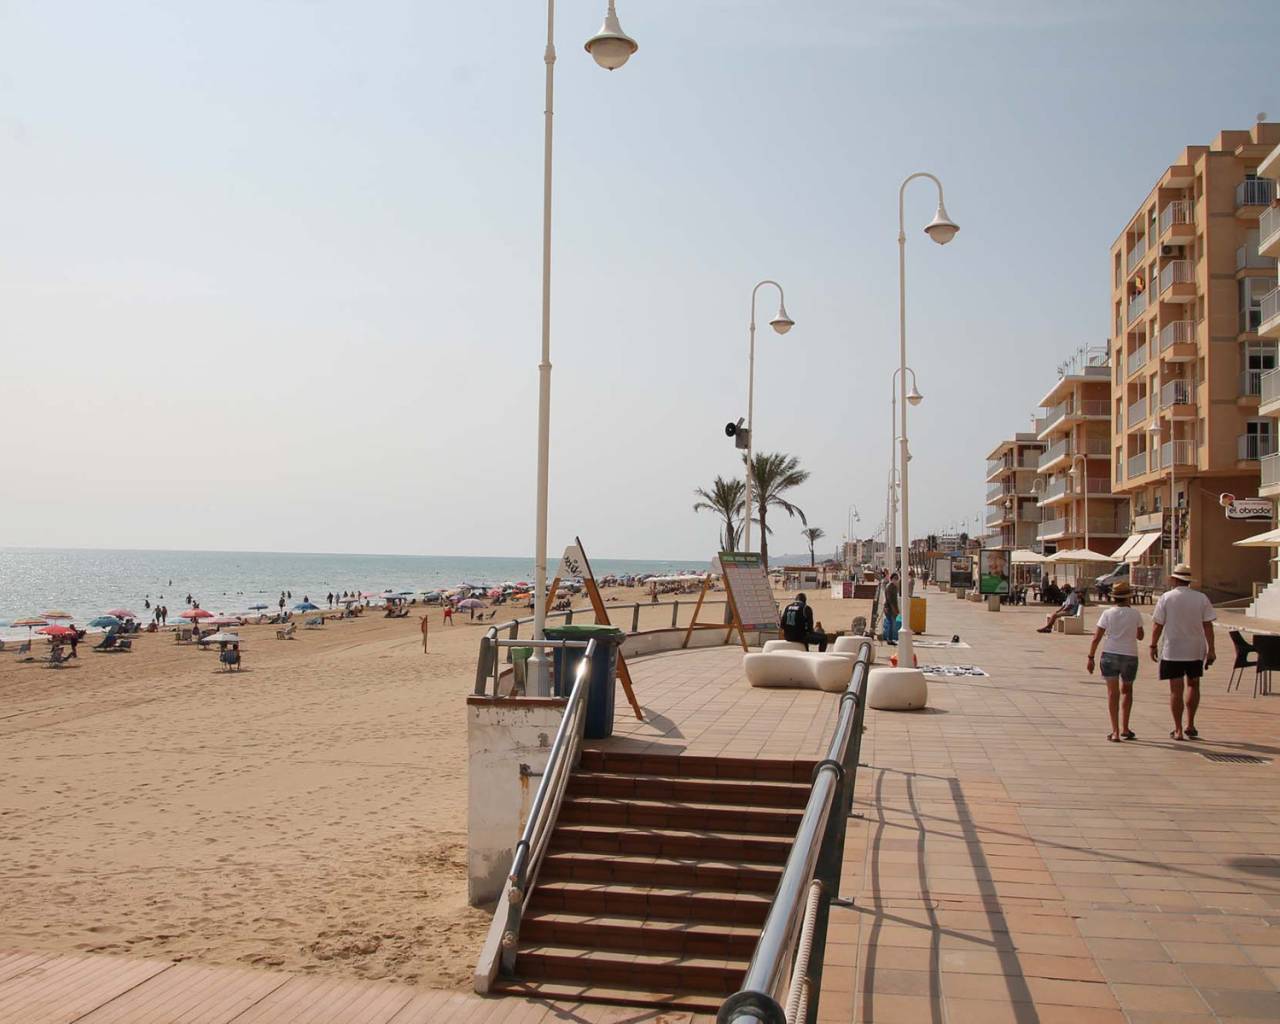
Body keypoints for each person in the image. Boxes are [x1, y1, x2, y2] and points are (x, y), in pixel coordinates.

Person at [1150, 563, 1216, 741]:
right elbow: (1208, 625)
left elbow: (1158, 624)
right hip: (1195, 649)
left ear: (1174, 580)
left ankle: (1178, 729)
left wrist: (1153, 644)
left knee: (1175, 690)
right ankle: (1191, 724)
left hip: (1173, 650)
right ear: (1188, 581)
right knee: (1193, 685)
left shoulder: (1166, 598)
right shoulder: (1201, 598)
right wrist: (1211, 649)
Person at [1087, 581, 1143, 742]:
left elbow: (1096, 637)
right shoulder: (1135, 614)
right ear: (1128, 597)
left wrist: (1091, 657)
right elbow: (1140, 636)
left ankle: (1115, 731)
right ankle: (1125, 727)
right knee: (1127, 691)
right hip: (1130, 655)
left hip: (1110, 654)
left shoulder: (1107, 613)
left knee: (1112, 693)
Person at [882, 573, 901, 645]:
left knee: (891, 623)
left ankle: (890, 639)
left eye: (897, 578)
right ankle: (889, 639)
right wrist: (894, 609)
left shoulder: (893, 586)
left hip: (891, 608)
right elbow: (890, 600)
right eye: (895, 578)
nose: (896, 580)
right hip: (889, 608)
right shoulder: (890, 586)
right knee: (890, 623)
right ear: (892, 579)